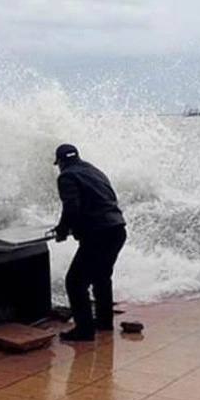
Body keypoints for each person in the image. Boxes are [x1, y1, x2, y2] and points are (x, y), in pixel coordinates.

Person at [51, 144, 126, 341]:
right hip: (117, 229)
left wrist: (62, 230)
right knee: (101, 277)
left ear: (61, 162)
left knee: (75, 282)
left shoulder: (66, 176)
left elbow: (71, 207)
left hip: (99, 234)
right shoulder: (94, 171)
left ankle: (84, 330)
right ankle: (104, 322)